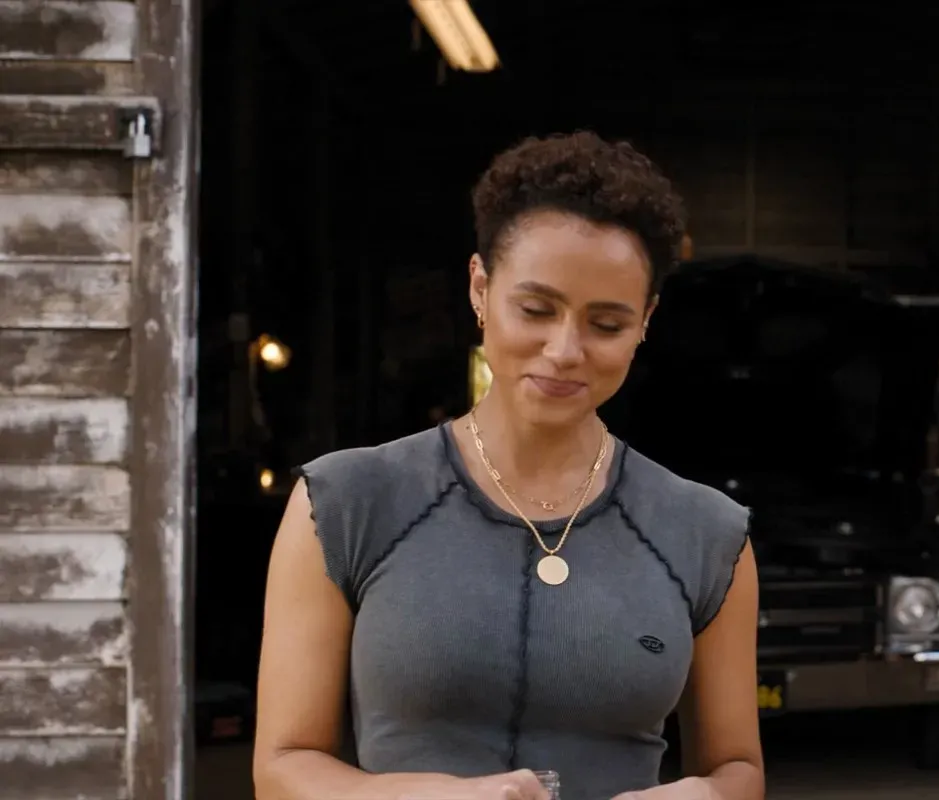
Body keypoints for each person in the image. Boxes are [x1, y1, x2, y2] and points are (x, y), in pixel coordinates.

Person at [253, 132, 765, 800]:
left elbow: (738, 769)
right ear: (480, 288)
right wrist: (438, 797)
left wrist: (705, 795)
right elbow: (282, 767)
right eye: (536, 309)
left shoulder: (706, 533)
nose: (565, 349)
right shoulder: (344, 503)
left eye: (607, 324)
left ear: (646, 320)